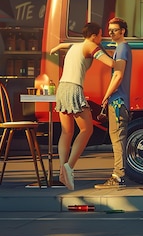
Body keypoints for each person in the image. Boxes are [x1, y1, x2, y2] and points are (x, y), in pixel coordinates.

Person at [50, 22, 114, 190]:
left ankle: (62, 172)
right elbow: (110, 63)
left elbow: (68, 44)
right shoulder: (91, 46)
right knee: (87, 130)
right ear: (93, 36)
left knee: (67, 131)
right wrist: (121, 62)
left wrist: (58, 47)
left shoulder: (76, 46)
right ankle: (69, 167)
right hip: (74, 88)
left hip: (62, 87)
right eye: (101, 35)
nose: (102, 38)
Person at [95, 17, 132, 189]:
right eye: (109, 30)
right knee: (118, 138)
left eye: (114, 30)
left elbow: (118, 75)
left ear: (122, 31)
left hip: (117, 102)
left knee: (117, 139)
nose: (110, 33)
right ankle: (119, 175)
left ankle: (118, 176)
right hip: (120, 101)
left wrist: (106, 96)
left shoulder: (122, 48)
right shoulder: (120, 48)